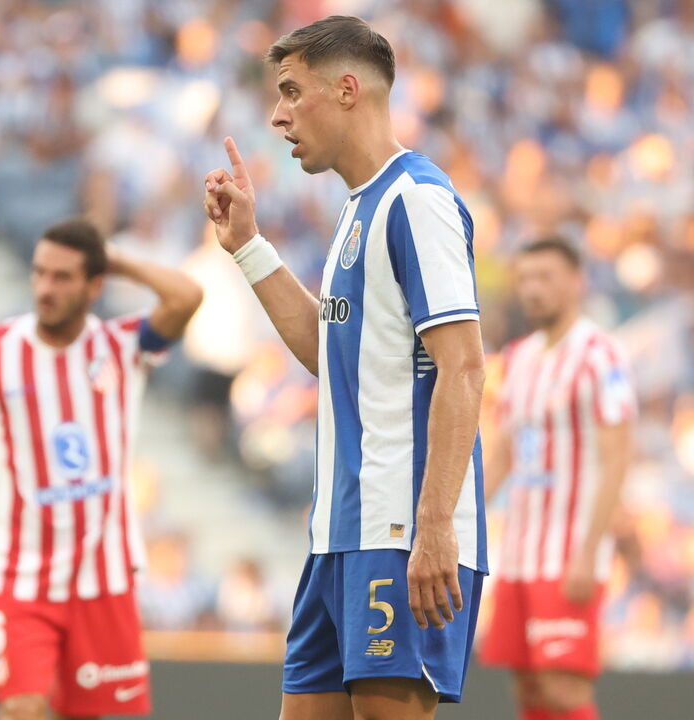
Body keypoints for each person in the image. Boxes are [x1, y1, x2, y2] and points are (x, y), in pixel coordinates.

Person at [202, 16, 487, 720]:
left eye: (293, 92)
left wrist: (436, 526)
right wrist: (248, 247)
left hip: (400, 534)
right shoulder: (360, 209)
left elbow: (466, 369)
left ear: (349, 89)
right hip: (338, 534)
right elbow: (329, 358)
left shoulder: (415, 201)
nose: (278, 115)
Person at [0, 219, 202, 720]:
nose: (46, 287)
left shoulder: (121, 345)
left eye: (63, 276)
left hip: (103, 580)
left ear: (95, 284)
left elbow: (187, 296)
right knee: (22, 709)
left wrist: (114, 256)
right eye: (40, 273)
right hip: (20, 580)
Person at [479, 238, 634, 720]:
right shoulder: (520, 356)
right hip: (520, 554)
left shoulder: (599, 355)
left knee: (561, 685)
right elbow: (504, 452)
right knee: (527, 684)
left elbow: (617, 457)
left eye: (545, 278)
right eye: (525, 279)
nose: (533, 290)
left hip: (568, 552)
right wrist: (464, 518)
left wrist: (589, 551)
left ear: (576, 282)